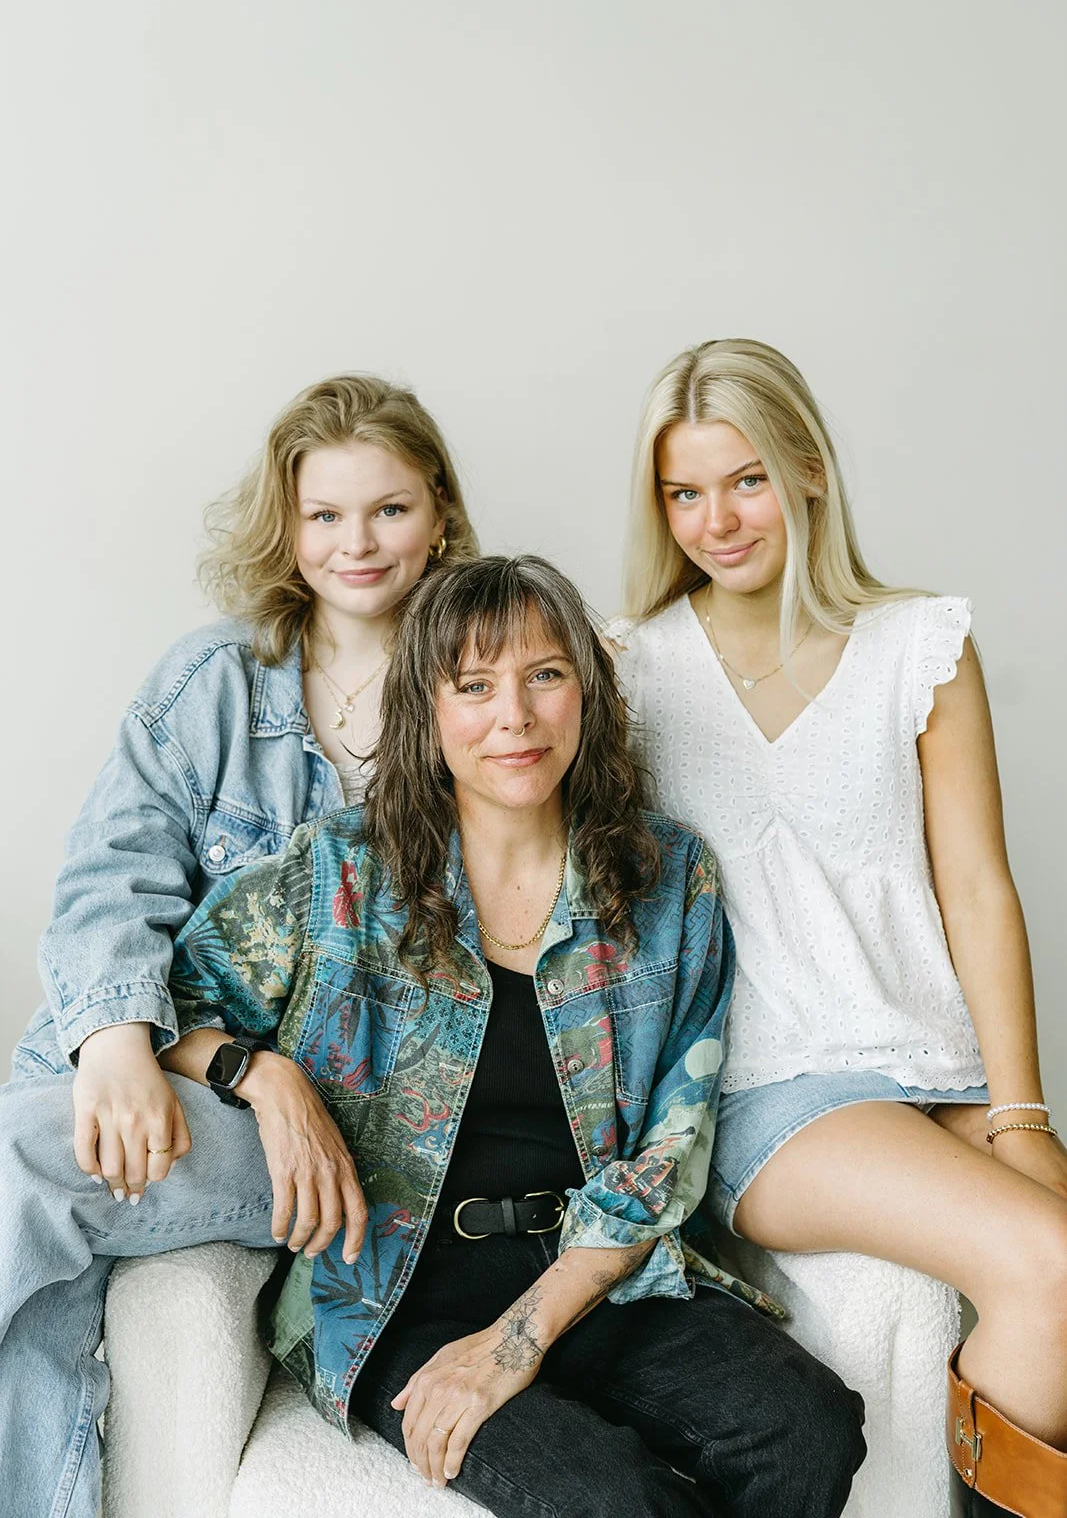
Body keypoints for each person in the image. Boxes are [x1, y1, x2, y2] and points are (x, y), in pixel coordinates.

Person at [141, 555, 857, 1516]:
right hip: (398, 1287)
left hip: (594, 1275)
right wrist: (264, 1077)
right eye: (473, 686)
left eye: (544, 675)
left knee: (807, 1428)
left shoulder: (667, 881)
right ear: (426, 713)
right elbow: (161, 1000)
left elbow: (669, 1154)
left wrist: (515, 1342)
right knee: (611, 1500)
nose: (513, 717)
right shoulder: (339, 878)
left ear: (587, 695)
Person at [1, 372, 477, 1517]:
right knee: (35, 1217)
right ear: (287, 526)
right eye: (324, 515)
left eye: (389, 509)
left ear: (442, 516)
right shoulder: (215, 682)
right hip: (181, 1068)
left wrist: (271, 1075)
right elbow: (106, 882)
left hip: (356, 1120)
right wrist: (123, 1039)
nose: (355, 543)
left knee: (21, 1162)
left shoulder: (484, 691)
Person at [611, 337, 1067, 1517]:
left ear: (808, 469)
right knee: (1049, 1268)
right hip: (772, 1091)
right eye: (683, 491)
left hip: (934, 1073)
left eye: (746, 477)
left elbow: (977, 888)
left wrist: (1017, 1113)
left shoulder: (918, 643)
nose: (715, 519)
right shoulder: (628, 675)